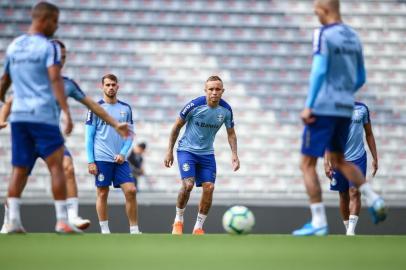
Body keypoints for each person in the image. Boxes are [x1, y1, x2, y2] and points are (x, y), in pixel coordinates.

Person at [0, 39, 131, 232]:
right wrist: (2, 117)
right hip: (27, 134)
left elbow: (92, 105)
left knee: (67, 167)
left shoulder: (67, 83)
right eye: (57, 56)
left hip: (50, 135)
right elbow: (10, 100)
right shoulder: (33, 79)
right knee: (20, 177)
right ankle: (9, 220)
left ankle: (70, 217)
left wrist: (114, 124)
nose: (61, 59)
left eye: (64, 56)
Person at [292, 0, 386, 236]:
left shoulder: (323, 34)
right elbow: (361, 77)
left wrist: (309, 105)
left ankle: (318, 221)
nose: (317, 17)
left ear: (324, 11)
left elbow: (319, 70)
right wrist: (343, 94)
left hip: (323, 106)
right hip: (345, 107)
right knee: (341, 160)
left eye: (317, 13)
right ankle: (374, 198)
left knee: (306, 164)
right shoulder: (353, 36)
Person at [0, 2, 79, 233]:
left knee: (19, 168)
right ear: (45, 19)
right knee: (56, 166)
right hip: (42, 115)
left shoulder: (14, 46)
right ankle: (62, 220)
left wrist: (3, 99)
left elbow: (5, 80)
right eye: (55, 21)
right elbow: (55, 79)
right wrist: (66, 110)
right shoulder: (48, 47)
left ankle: (12, 220)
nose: (56, 26)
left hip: (19, 117)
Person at [164, 75, 240, 235]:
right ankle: (178, 220)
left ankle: (198, 227)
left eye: (217, 89)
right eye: (211, 89)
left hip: (207, 153)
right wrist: (169, 151)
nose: (214, 92)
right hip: (187, 150)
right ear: (205, 90)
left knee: (209, 187)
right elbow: (176, 126)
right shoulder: (194, 105)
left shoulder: (226, 110)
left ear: (223, 91)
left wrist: (234, 154)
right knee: (188, 185)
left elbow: (231, 133)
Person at [86, 73, 140, 234]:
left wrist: (123, 153)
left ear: (118, 86)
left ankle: (134, 229)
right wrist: (91, 161)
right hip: (101, 158)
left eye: (113, 84)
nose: (110, 87)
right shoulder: (95, 108)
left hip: (120, 160)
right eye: (107, 85)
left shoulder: (126, 108)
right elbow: (89, 137)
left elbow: (130, 135)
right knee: (102, 193)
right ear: (102, 87)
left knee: (131, 190)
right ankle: (105, 230)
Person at [324, 102, 378, 236]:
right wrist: (326, 162)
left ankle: (351, 231)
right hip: (338, 158)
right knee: (343, 195)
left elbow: (369, 134)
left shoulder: (362, 108)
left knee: (354, 192)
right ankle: (347, 227)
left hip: (358, 158)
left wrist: (375, 157)